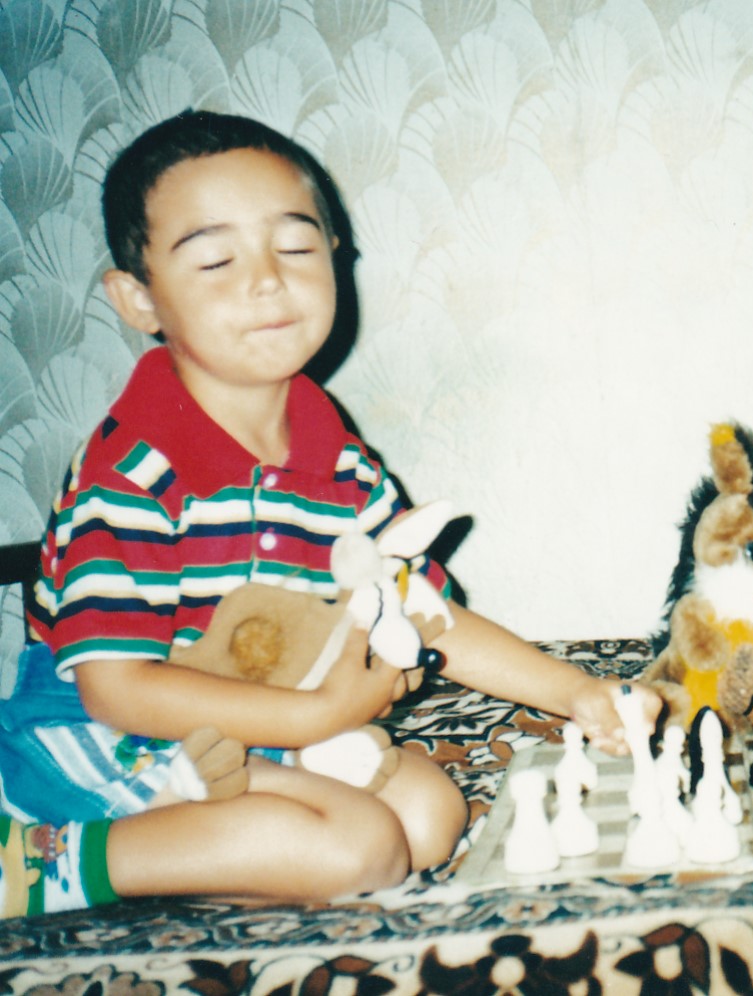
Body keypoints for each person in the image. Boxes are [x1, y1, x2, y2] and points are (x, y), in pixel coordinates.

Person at [0, 110, 662, 918]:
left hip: (252, 726)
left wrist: (579, 693)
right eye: (215, 260)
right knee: (361, 847)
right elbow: (117, 689)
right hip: (106, 739)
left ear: (336, 256)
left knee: (429, 818)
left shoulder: (339, 461)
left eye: (296, 247)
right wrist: (318, 714)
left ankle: (208, 862)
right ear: (139, 299)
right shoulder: (134, 471)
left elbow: (425, 611)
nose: (267, 281)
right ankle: (41, 864)